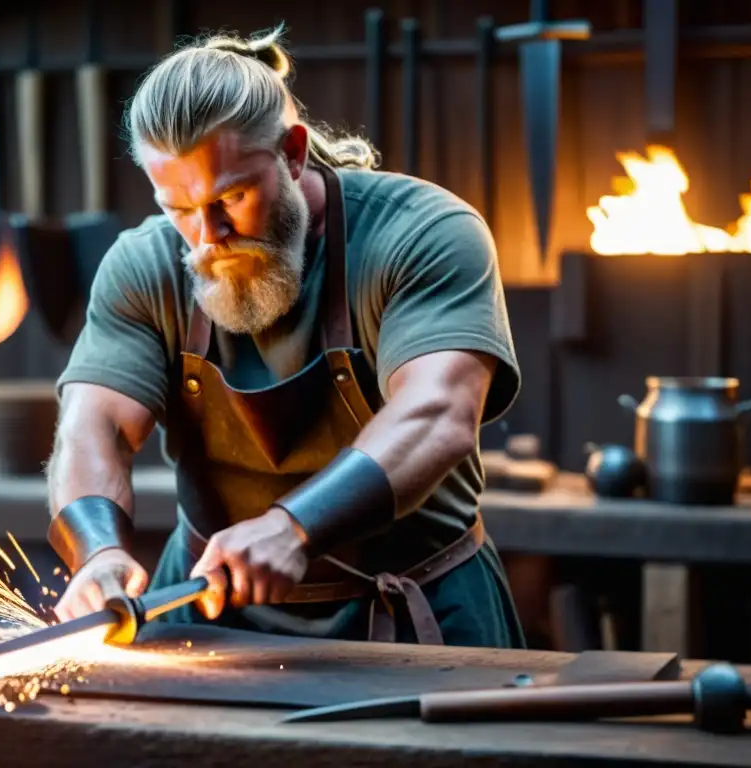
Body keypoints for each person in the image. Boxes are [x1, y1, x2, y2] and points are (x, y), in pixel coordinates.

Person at [43, 25, 526, 647]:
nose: (209, 237)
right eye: (180, 210)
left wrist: (293, 527)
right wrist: (97, 551)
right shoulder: (144, 266)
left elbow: (437, 414)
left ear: (293, 154)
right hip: (203, 614)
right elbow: (91, 426)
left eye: (232, 197)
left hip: (413, 612)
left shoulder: (424, 233)